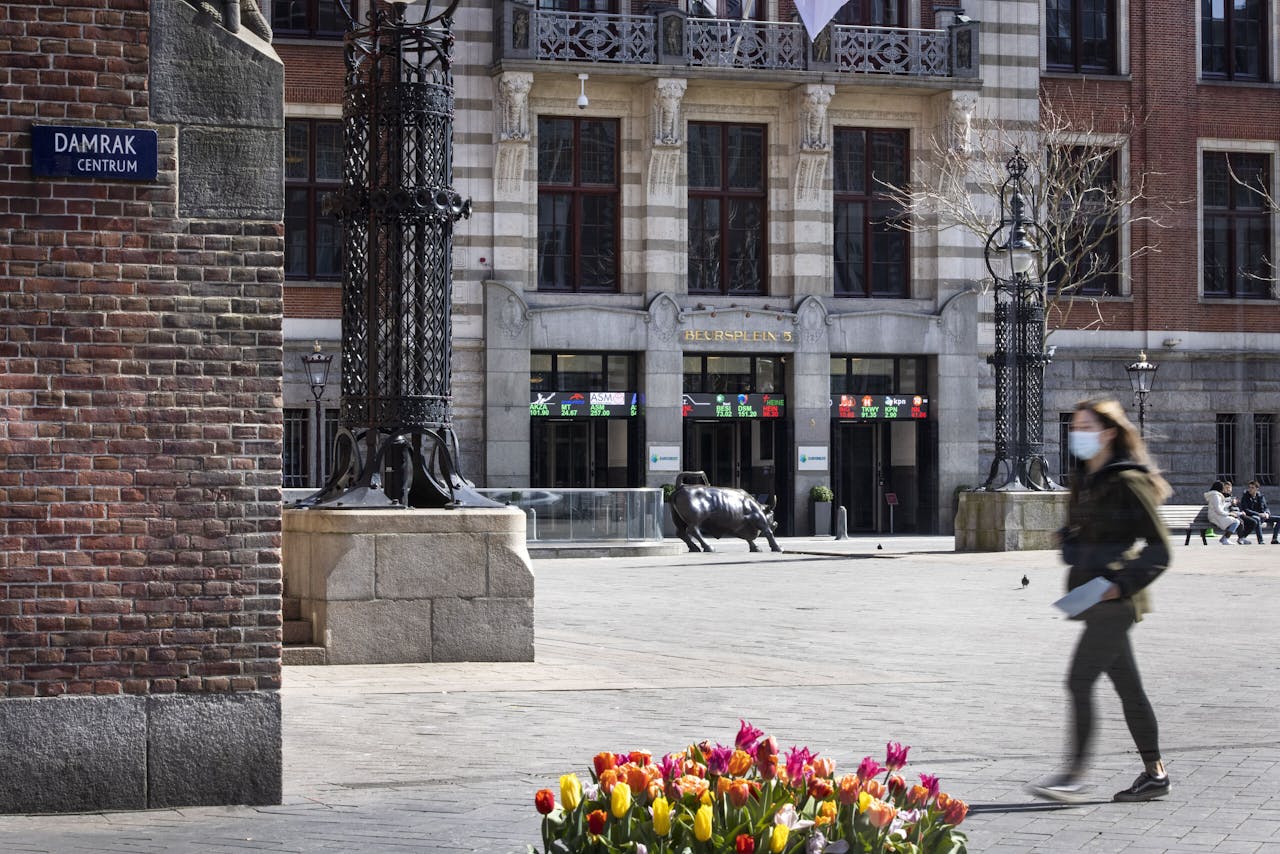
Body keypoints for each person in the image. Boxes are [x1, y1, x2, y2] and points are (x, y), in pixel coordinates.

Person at [1028, 397, 1172, 804]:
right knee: (1129, 687)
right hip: (1093, 600)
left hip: (1115, 601)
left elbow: (1160, 549)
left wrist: (1120, 585)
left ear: (1108, 433)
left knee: (1078, 681)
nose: (1078, 435)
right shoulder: (1087, 480)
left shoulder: (1127, 480)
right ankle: (1155, 773)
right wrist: (1071, 540)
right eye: (1074, 428)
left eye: (1086, 427)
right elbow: (1094, 542)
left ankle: (1073, 774)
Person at [1238, 480, 1277, 544]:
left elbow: (1266, 507)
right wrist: (1259, 514)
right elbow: (1246, 510)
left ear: (1257, 489)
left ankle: (1274, 539)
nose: (1250, 489)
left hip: (1263, 515)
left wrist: (1267, 513)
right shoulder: (1245, 496)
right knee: (1257, 519)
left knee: (1278, 519)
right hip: (1251, 516)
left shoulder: (1261, 496)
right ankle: (1260, 540)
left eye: (1252, 488)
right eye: (1249, 487)